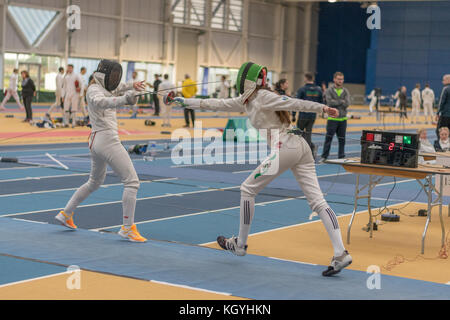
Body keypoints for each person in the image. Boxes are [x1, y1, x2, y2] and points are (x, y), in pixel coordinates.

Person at [174, 62, 352, 277]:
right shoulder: (245, 101)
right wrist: (184, 101)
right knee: (317, 201)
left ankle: (240, 244)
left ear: (247, 81)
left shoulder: (264, 97)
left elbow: (293, 102)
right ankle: (340, 253)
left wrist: (322, 108)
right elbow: (215, 103)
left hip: (287, 146)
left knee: (248, 189)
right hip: (300, 147)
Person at [55, 59, 147, 242]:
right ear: (103, 75)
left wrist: (132, 86)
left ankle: (66, 214)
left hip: (97, 140)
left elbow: (121, 87)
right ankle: (127, 228)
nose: (115, 79)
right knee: (132, 182)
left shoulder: (106, 85)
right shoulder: (93, 90)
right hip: (106, 139)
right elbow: (104, 102)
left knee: (95, 181)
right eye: (112, 76)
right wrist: (125, 99)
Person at [319, 72, 351, 163]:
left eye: (342, 79)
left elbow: (348, 103)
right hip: (332, 119)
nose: (340, 81)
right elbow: (330, 103)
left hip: (343, 119)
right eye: (339, 79)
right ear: (334, 79)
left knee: (342, 140)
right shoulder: (329, 90)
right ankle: (324, 156)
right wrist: (341, 101)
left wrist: (336, 101)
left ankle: (341, 156)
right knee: (328, 138)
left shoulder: (346, 91)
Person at [296, 73, 323, 158]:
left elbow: (296, 103)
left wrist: (293, 114)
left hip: (303, 115)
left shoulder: (302, 89)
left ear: (306, 78)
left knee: (299, 134)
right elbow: (321, 102)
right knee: (308, 134)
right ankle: (310, 149)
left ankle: (305, 152)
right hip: (312, 116)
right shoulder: (318, 89)